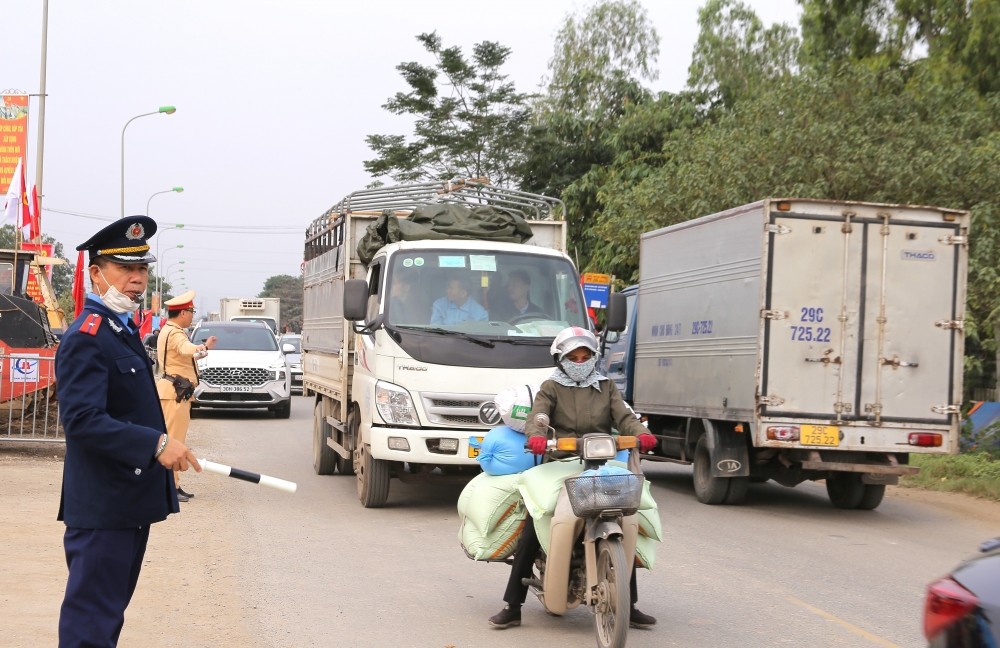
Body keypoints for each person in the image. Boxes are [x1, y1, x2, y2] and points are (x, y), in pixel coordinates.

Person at [55, 216, 202, 648]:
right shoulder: (88, 335)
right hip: (103, 505)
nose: (137, 280)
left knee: (107, 615)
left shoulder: (119, 330)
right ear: (97, 273)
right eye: (125, 269)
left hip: (124, 501)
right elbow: (81, 419)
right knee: (91, 621)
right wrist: (155, 443)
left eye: (142, 270)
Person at [488, 326, 659, 630]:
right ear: (560, 358)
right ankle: (513, 605)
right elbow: (538, 416)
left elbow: (624, 417)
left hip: (598, 463)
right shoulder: (550, 387)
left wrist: (642, 433)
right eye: (573, 356)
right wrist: (537, 435)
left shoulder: (606, 387)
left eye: (585, 356)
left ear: (594, 358)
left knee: (626, 515)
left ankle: (628, 605)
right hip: (560, 462)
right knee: (533, 522)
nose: (579, 362)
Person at [157, 291, 216, 502]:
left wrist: (204, 348)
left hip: (173, 391)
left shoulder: (170, 329)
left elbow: (185, 353)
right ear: (182, 313)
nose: (192, 315)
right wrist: (199, 346)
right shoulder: (176, 333)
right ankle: (168, 488)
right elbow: (184, 348)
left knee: (171, 440)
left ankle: (173, 484)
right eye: (191, 311)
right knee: (173, 442)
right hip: (174, 393)